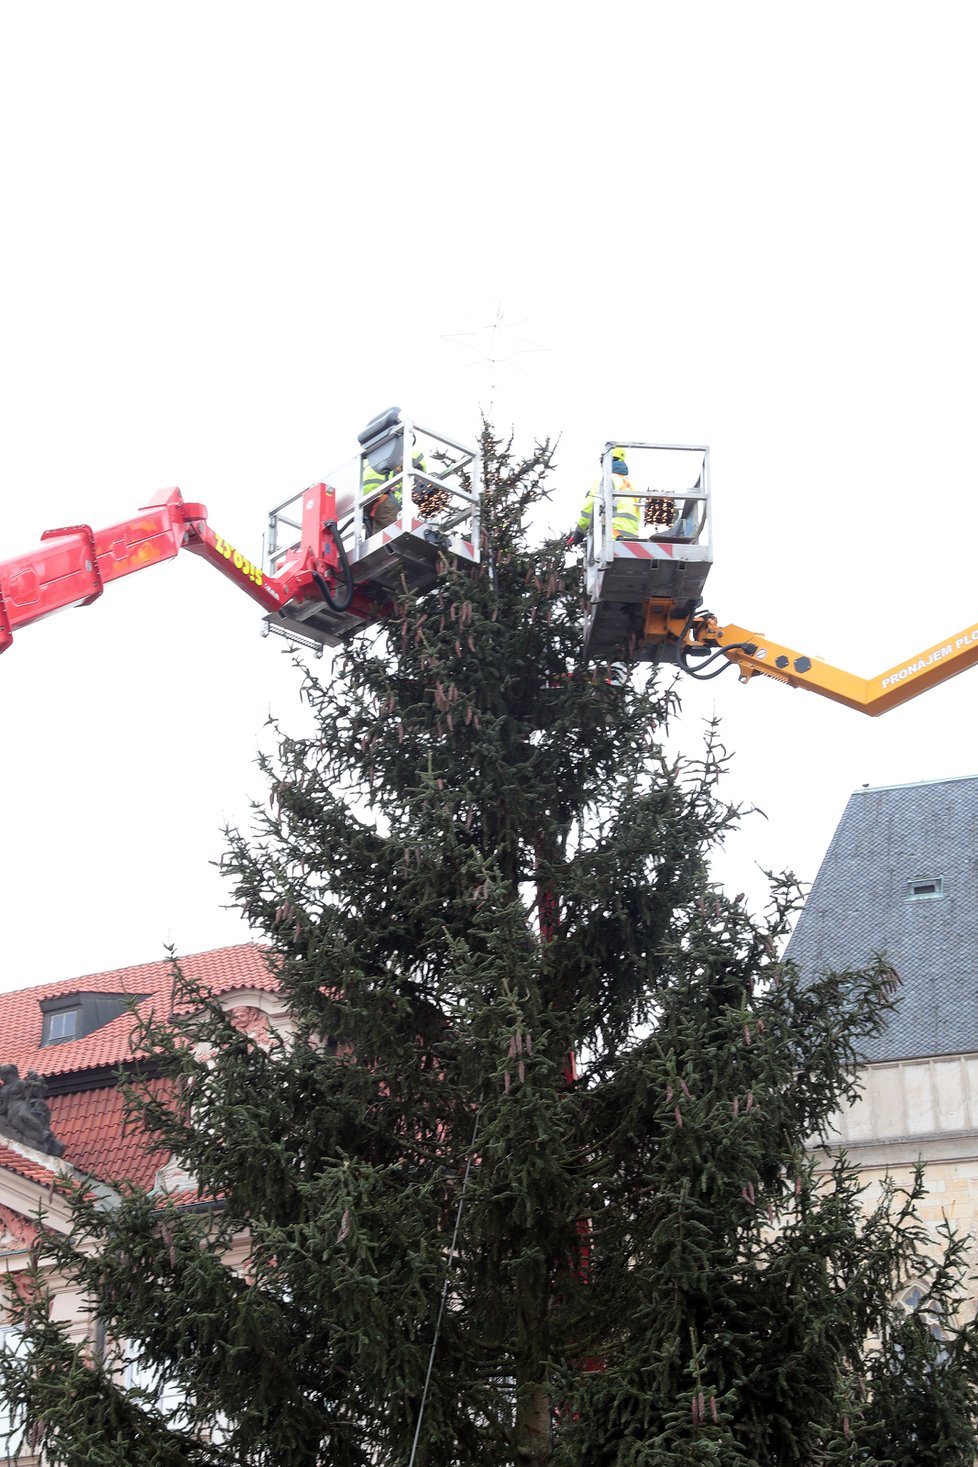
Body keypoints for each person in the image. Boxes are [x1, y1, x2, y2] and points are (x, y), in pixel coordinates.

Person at [358, 406, 428, 533]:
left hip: (366, 501)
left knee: (375, 540)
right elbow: (420, 463)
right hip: (385, 497)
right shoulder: (403, 450)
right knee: (392, 536)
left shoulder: (372, 454)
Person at [569, 448, 640, 546]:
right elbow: (637, 517)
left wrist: (579, 533)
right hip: (632, 542)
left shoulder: (605, 482)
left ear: (607, 460)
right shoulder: (632, 487)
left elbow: (589, 508)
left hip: (612, 538)